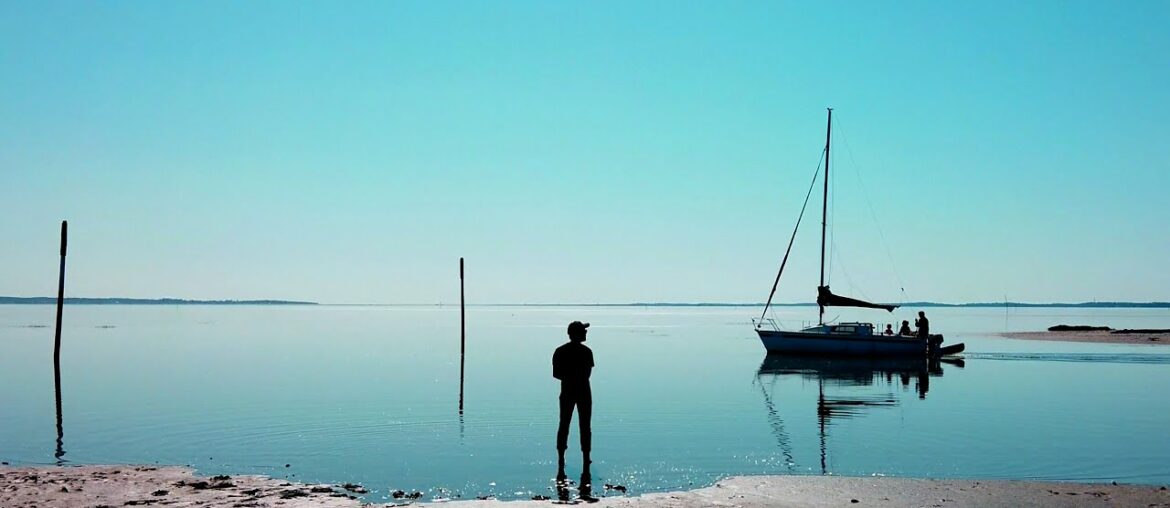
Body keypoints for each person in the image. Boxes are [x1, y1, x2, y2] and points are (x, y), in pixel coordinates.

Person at [553, 320, 594, 481]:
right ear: (576, 333)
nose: (586, 333)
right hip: (583, 391)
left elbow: (556, 374)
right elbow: (587, 374)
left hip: (567, 391)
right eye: (583, 331)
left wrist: (569, 377)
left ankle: (561, 458)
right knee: (584, 425)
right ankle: (586, 458)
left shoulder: (560, 351)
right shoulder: (586, 352)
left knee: (564, 424)